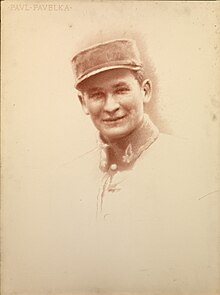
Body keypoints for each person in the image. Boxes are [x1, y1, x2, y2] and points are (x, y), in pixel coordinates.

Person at [67, 39, 219, 291]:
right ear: (83, 103)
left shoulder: (196, 164)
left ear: (145, 90)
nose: (110, 106)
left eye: (121, 90)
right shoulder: (70, 178)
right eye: (96, 95)